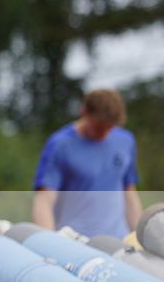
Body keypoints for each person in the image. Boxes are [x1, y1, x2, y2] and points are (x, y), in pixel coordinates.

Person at [33, 87, 142, 238]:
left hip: (118, 243)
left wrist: (138, 237)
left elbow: (129, 193)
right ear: (84, 112)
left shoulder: (125, 141)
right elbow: (44, 201)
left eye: (109, 128)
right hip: (76, 245)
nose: (105, 133)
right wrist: (49, 243)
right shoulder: (60, 145)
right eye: (99, 127)